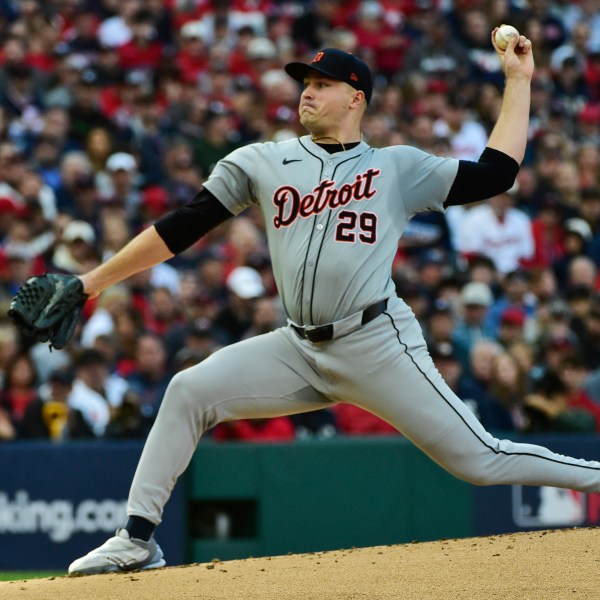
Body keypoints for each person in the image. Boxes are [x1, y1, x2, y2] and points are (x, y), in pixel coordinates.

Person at [67, 34, 600, 576]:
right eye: (305, 84)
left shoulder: (396, 168)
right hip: (297, 345)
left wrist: (517, 81)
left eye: (323, 85)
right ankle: (136, 539)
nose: (307, 94)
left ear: (356, 98)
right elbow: (181, 227)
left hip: (376, 343)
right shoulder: (264, 161)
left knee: (480, 461)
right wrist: (91, 282)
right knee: (188, 390)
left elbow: (497, 173)